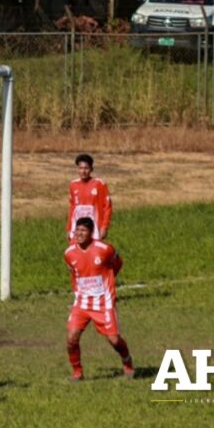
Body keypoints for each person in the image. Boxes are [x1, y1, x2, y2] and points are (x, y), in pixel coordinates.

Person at [64, 217, 133, 381]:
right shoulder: (69, 253)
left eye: (83, 230)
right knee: (71, 338)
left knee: (114, 340)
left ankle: (127, 361)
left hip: (103, 302)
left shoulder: (104, 249)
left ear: (91, 233)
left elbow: (118, 263)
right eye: (77, 230)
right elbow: (73, 272)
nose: (79, 234)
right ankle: (77, 372)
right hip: (82, 302)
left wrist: (108, 279)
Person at [68, 154, 112, 242]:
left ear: (91, 169)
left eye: (86, 168)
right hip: (77, 229)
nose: (83, 171)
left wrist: (104, 226)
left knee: (94, 253)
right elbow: (72, 208)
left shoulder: (99, 184)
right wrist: (68, 228)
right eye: (80, 168)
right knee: (76, 253)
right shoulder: (73, 184)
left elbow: (107, 207)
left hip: (95, 228)